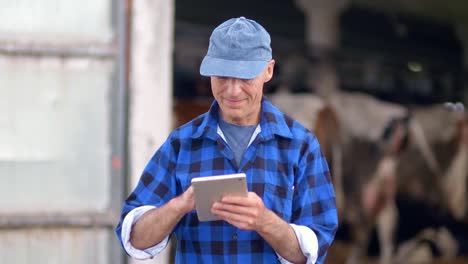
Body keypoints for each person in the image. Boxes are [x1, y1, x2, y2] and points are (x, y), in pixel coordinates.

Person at [115, 16, 338, 264]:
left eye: (244, 77)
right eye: (222, 76)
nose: (232, 90)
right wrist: (180, 205)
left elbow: (314, 252)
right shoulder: (182, 144)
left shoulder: (301, 147)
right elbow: (134, 238)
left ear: (268, 70)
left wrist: (265, 221)